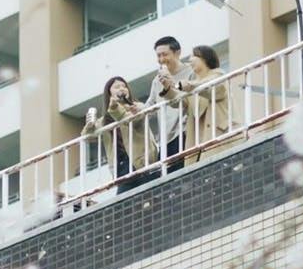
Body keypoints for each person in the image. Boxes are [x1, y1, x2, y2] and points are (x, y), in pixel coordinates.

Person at [82, 75, 149, 194]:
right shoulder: (104, 120)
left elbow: (135, 118)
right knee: (125, 200)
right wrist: (89, 126)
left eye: (124, 86)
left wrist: (118, 109)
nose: (122, 89)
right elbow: (87, 137)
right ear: (109, 94)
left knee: (147, 195)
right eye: (117, 87)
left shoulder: (136, 106)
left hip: (141, 159)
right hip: (121, 165)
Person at [146, 35, 195, 174]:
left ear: (177, 53)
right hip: (165, 139)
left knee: (187, 172)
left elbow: (190, 100)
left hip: (185, 131)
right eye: (158, 56)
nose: (161, 59)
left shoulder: (191, 72)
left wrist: (170, 84)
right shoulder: (157, 80)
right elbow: (150, 105)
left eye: (165, 54)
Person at [185, 43, 232, 165]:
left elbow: (213, 89)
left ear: (204, 58)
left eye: (193, 56)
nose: (190, 60)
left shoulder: (218, 75)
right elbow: (179, 101)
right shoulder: (193, 84)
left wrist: (190, 86)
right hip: (199, 142)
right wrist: (168, 88)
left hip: (220, 134)